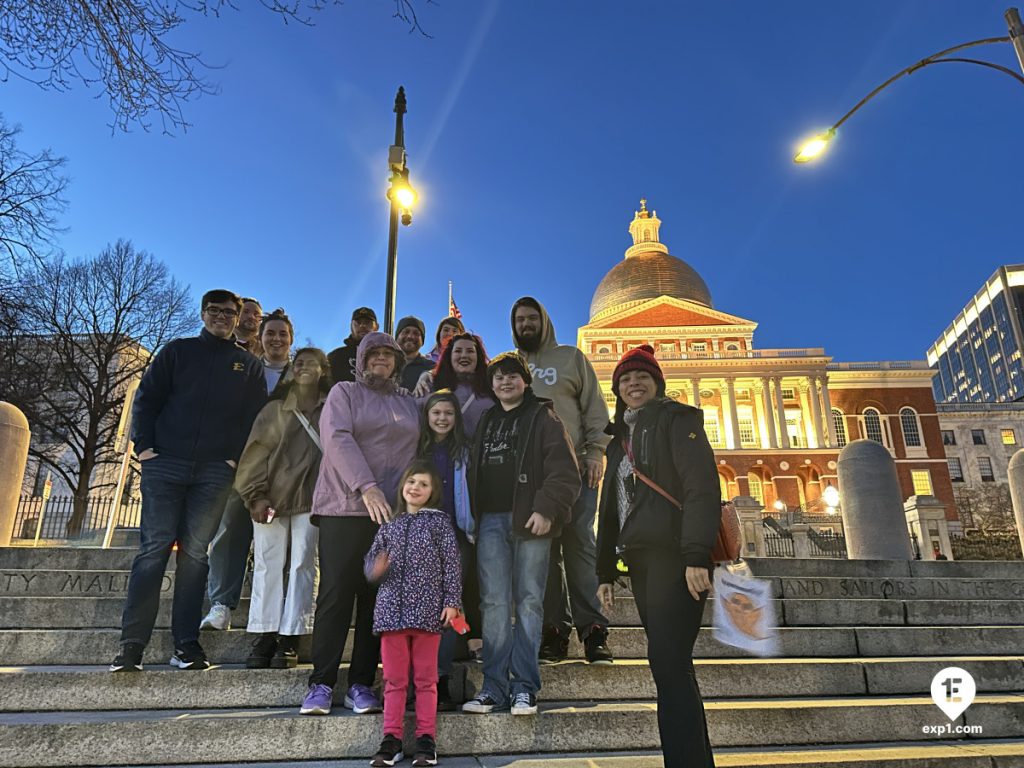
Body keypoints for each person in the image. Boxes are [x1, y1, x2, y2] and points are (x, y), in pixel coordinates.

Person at [110, 289, 266, 673]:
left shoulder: (247, 365)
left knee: (196, 556)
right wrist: (144, 446)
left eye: (229, 313)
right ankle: (132, 646)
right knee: (153, 551)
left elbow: (253, 419)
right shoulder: (177, 351)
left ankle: (185, 645)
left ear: (237, 318)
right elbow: (147, 399)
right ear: (202, 313)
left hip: (214, 470)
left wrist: (232, 459)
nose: (222, 317)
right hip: (166, 463)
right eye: (214, 311)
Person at [595, 345, 720, 768]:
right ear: (617, 389)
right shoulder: (619, 440)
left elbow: (701, 486)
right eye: (626, 379)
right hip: (641, 561)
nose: (634, 383)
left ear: (657, 382)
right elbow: (608, 510)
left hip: (676, 557)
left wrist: (696, 555)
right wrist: (604, 572)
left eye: (642, 376)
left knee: (668, 663)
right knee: (670, 667)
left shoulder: (677, 419)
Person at [300, 331, 421, 717]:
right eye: (375, 354)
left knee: (376, 600)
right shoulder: (344, 393)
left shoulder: (409, 402)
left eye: (389, 355)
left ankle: (360, 683)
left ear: (398, 363)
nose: (381, 359)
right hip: (345, 506)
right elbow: (337, 439)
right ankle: (320, 682)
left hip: (390, 515)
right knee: (336, 595)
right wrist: (366, 487)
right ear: (362, 359)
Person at [462, 352, 580, 716]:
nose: (505, 382)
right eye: (498, 377)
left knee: (529, 603)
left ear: (525, 381)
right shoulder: (487, 420)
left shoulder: (543, 417)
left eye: (512, 376)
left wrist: (546, 508)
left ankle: (524, 687)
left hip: (530, 520)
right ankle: (494, 688)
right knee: (494, 606)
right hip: (491, 523)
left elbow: (564, 470)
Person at [511, 296, 613, 664]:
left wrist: (596, 451)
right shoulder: (512, 366)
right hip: (531, 479)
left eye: (531, 319)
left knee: (580, 547)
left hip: (577, 472)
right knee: (543, 555)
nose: (526, 325)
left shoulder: (571, 358)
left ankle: (593, 631)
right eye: (520, 320)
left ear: (544, 321)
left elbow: (595, 409)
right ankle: (554, 630)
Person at [234, 347, 330, 668]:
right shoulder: (274, 410)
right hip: (271, 497)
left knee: (304, 563)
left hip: (313, 498)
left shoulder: (330, 409)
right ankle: (265, 632)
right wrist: (255, 494)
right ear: (290, 371)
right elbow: (254, 454)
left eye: (311, 363)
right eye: (298, 363)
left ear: (323, 370)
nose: (303, 368)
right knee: (267, 563)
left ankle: (292, 633)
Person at [365, 461, 462, 768]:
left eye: (423, 484)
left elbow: (452, 566)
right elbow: (371, 565)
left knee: (425, 680)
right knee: (393, 680)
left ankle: (425, 738)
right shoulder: (389, 525)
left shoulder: (439, 524)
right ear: (402, 486)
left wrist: (452, 602)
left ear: (432, 492)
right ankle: (391, 738)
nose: (415, 487)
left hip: (427, 614)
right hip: (391, 614)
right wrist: (374, 569)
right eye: (411, 482)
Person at [202, 309, 295, 631]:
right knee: (231, 533)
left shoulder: (300, 377)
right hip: (243, 466)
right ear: (261, 336)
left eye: (283, 334)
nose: (277, 339)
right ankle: (221, 604)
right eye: (271, 333)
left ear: (291, 339)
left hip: (286, 471)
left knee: (282, 541)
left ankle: (278, 608)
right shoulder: (244, 371)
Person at [417, 390, 480, 708]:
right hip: (420, 535)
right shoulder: (416, 449)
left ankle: (440, 680)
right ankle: (420, 679)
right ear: (427, 417)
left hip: (456, 535)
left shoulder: (465, 451)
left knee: (449, 608)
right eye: (436, 413)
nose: (442, 418)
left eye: (448, 414)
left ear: (456, 419)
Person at [430, 332, 496, 438]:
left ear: (478, 357)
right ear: (449, 356)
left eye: (470, 351)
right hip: (448, 453)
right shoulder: (432, 386)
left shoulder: (492, 386)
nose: (464, 355)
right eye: (458, 351)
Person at [328, 307, 378, 384]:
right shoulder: (335, 356)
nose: (362, 326)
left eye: (367, 322)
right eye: (358, 323)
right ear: (351, 327)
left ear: (376, 327)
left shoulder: (386, 357)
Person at [396, 315, 434, 391]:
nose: (410, 336)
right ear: (397, 337)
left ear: (422, 341)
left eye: (416, 333)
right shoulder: (386, 363)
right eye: (406, 332)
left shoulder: (431, 367)